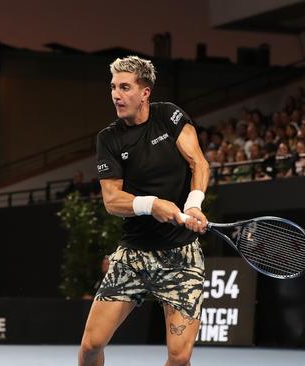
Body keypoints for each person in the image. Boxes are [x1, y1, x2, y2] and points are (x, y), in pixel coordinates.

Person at [80, 56, 209, 366]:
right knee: (91, 346)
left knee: (180, 357)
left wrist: (193, 203)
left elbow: (198, 163)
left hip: (181, 256)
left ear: (145, 92)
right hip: (134, 254)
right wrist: (152, 204)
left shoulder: (169, 116)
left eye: (125, 87)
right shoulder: (108, 139)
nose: (116, 95)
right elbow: (112, 201)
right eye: (113, 87)